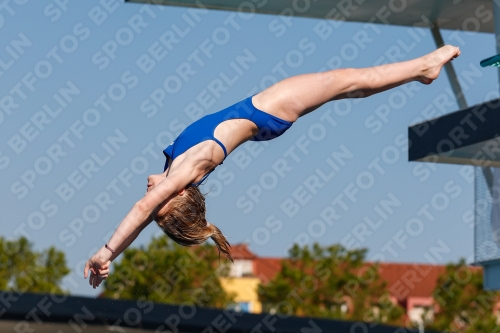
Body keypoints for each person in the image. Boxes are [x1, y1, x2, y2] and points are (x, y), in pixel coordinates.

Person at [84, 45, 460, 288]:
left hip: (262, 113)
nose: (149, 197)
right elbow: (143, 210)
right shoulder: (185, 170)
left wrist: (110, 254)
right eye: (160, 204)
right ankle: (424, 67)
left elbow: (142, 216)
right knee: (349, 81)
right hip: (267, 110)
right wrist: (105, 250)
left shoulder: (178, 175)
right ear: (179, 194)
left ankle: (421, 70)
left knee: (350, 84)